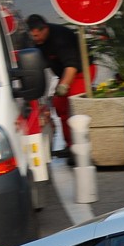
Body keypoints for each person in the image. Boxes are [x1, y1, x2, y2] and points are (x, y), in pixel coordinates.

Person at [26, 14, 84, 161]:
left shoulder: (61, 38)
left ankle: (81, 147)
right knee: (59, 106)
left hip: (80, 72)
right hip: (63, 73)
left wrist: (63, 87)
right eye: (33, 36)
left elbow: (71, 66)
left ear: (45, 29)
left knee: (74, 106)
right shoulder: (37, 43)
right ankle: (70, 146)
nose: (36, 39)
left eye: (37, 35)